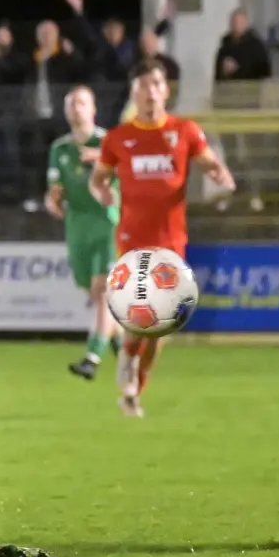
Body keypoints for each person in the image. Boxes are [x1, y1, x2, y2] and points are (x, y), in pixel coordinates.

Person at [90, 59, 235, 418]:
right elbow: (99, 179)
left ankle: (133, 382)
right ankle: (128, 370)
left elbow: (211, 163)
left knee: (161, 327)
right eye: (143, 85)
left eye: (156, 84)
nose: (150, 91)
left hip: (171, 241)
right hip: (132, 239)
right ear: (134, 92)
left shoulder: (184, 131)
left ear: (165, 90)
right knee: (142, 316)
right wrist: (103, 193)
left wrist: (221, 175)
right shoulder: (118, 138)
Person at [45, 85, 123, 380]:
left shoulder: (108, 143)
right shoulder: (60, 149)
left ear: (93, 109)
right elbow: (54, 189)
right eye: (71, 104)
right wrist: (52, 201)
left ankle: (92, 357)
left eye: (82, 103)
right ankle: (119, 342)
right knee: (92, 291)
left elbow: (126, 173)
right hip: (76, 226)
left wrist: (104, 161)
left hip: (106, 223)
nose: (76, 108)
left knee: (103, 291)